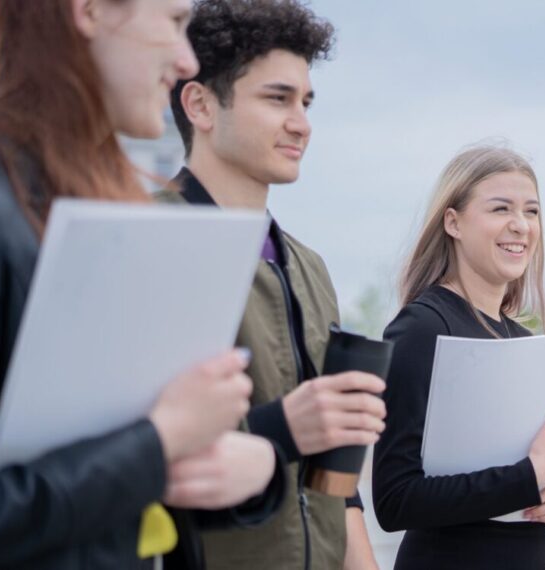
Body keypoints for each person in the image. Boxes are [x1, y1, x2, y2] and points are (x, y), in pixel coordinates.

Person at [0, 1, 276, 568]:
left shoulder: (98, 203)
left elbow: (98, 479)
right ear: (89, 11)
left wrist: (255, 468)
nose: (187, 60)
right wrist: (159, 444)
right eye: (172, 22)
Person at [158, 1, 388, 568]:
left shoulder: (310, 267)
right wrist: (282, 428)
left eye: (306, 102)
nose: (302, 123)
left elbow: (338, 477)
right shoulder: (146, 241)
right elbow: (128, 452)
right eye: (277, 98)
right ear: (201, 104)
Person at [372, 146, 545, 570]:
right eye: (500, 208)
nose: (520, 226)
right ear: (454, 222)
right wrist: (529, 477)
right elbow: (395, 500)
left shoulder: (525, 339)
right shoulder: (421, 329)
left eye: (532, 211)